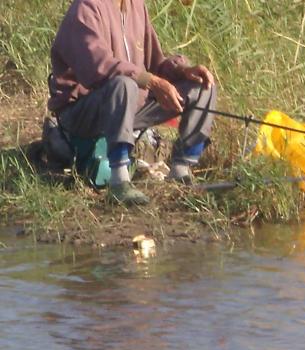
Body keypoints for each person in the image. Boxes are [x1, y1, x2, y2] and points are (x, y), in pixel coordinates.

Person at [48, 0, 217, 205]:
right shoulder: (86, 8)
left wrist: (183, 71)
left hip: (127, 105)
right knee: (123, 84)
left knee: (201, 86)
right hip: (80, 112)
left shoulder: (136, 5)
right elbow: (99, 68)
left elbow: (155, 65)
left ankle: (181, 170)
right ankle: (120, 181)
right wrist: (152, 82)